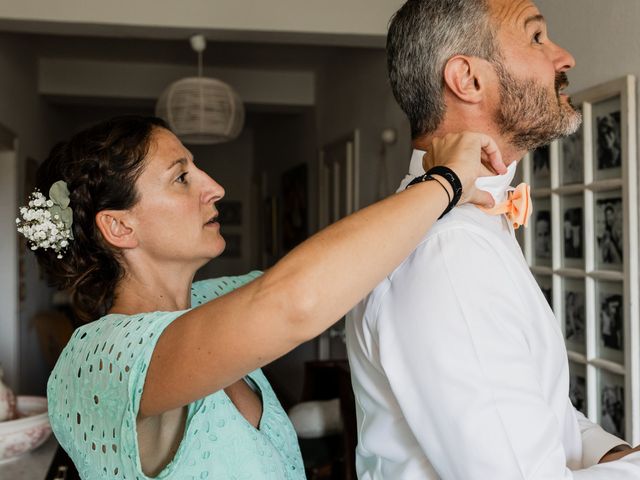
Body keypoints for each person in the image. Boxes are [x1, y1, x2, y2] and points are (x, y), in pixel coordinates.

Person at [16, 115, 504, 479]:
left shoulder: (210, 299)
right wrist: (445, 183)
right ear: (119, 225)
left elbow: (342, 272)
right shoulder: (98, 361)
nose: (215, 188)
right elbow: (294, 302)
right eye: (181, 177)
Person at [346, 0, 640, 478]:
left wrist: (613, 454)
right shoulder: (447, 253)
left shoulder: (474, 224)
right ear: (467, 79)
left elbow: (541, 416)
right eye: (537, 37)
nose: (564, 58)